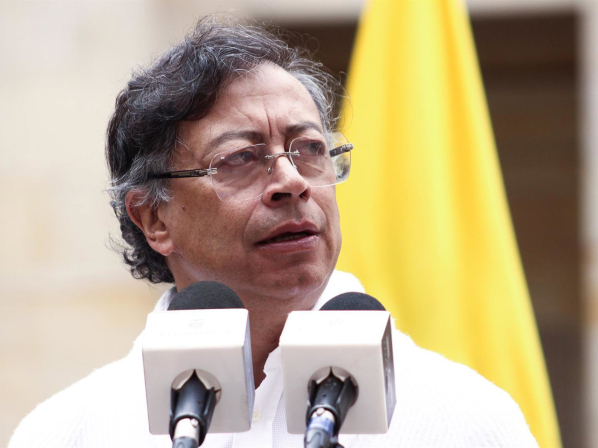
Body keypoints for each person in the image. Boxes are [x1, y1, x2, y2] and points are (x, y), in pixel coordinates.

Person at [9, 15, 538, 448]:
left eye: (310, 149)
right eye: (240, 158)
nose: (291, 182)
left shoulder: (465, 421)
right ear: (154, 218)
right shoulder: (68, 433)